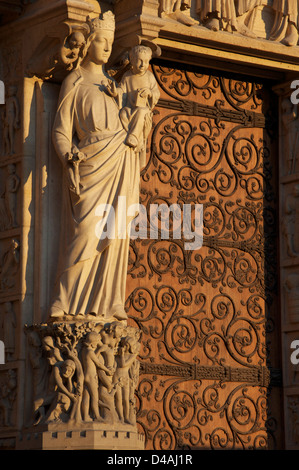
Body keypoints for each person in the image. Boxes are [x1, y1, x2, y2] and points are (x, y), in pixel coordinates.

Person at [50, 11, 142, 322]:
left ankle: (111, 300)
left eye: (110, 42)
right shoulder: (76, 80)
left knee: (116, 232)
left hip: (120, 160)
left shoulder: (114, 85)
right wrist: (67, 156)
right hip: (90, 163)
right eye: (101, 40)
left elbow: (132, 126)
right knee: (86, 231)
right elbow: (61, 131)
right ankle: (63, 299)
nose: (107, 47)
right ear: (88, 43)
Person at [107, 44, 160, 169]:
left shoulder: (149, 77)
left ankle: (134, 137)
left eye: (146, 62)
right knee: (123, 113)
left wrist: (150, 93)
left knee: (141, 112)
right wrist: (116, 93)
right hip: (130, 109)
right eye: (140, 61)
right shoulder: (127, 76)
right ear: (132, 60)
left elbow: (156, 93)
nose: (143, 65)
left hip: (143, 110)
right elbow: (122, 91)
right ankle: (131, 137)